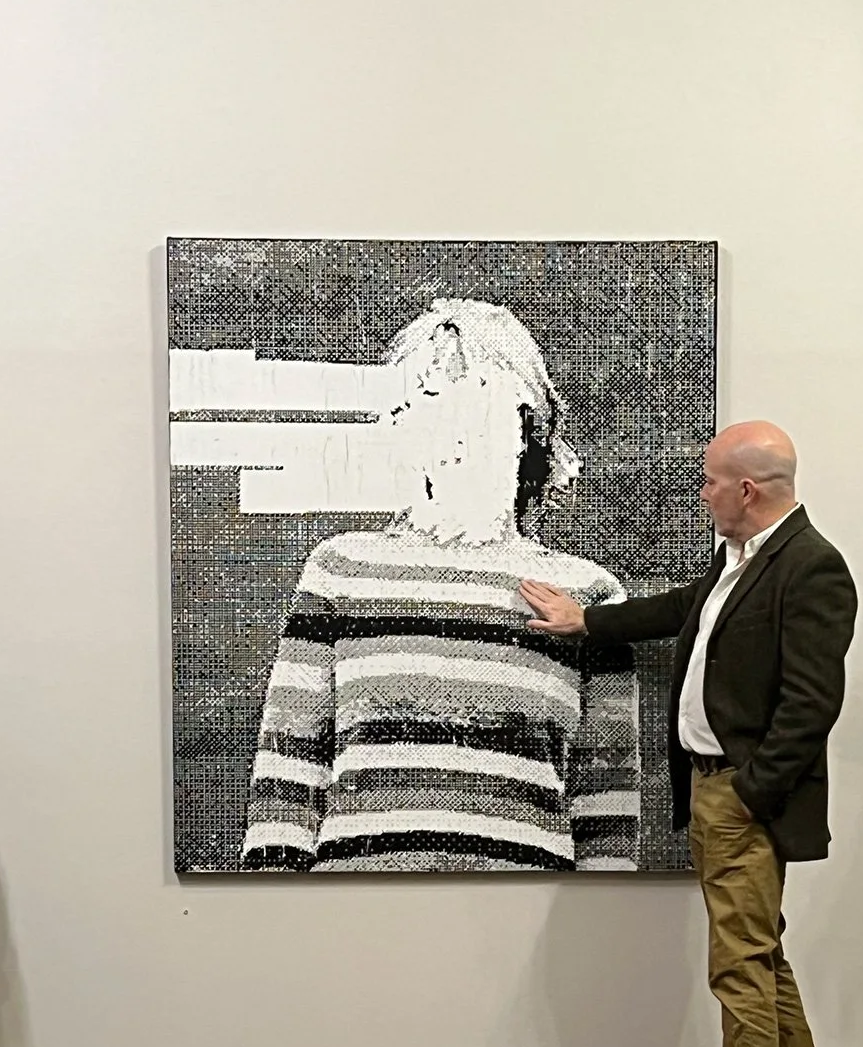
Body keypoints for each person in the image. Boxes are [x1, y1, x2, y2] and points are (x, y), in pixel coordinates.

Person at [522, 422, 857, 1047]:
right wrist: (589, 621)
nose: (701, 493)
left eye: (709, 481)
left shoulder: (812, 567)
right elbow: (686, 610)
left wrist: (750, 791)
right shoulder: (740, 560)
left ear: (747, 489)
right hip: (717, 791)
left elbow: (813, 703)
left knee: (737, 970)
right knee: (760, 957)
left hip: (741, 797)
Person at [242, 299, 640, 872]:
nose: (438, 410)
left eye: (466, 387)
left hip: (524, 925)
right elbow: (287, 773)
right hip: (353, 914)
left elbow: (607, 809)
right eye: (420, 393)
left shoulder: (587, 595)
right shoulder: (341, 571)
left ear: (526, 420)